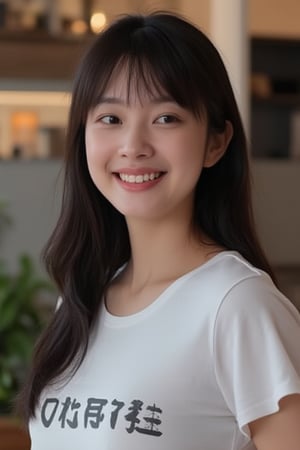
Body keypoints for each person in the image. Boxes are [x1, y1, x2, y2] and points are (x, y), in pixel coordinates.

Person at [19, 11, 300, 450]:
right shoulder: (80, 297)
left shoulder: (237, 304)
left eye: (166, 118)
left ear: (215, 142)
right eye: (110, 118)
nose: (133, 146)